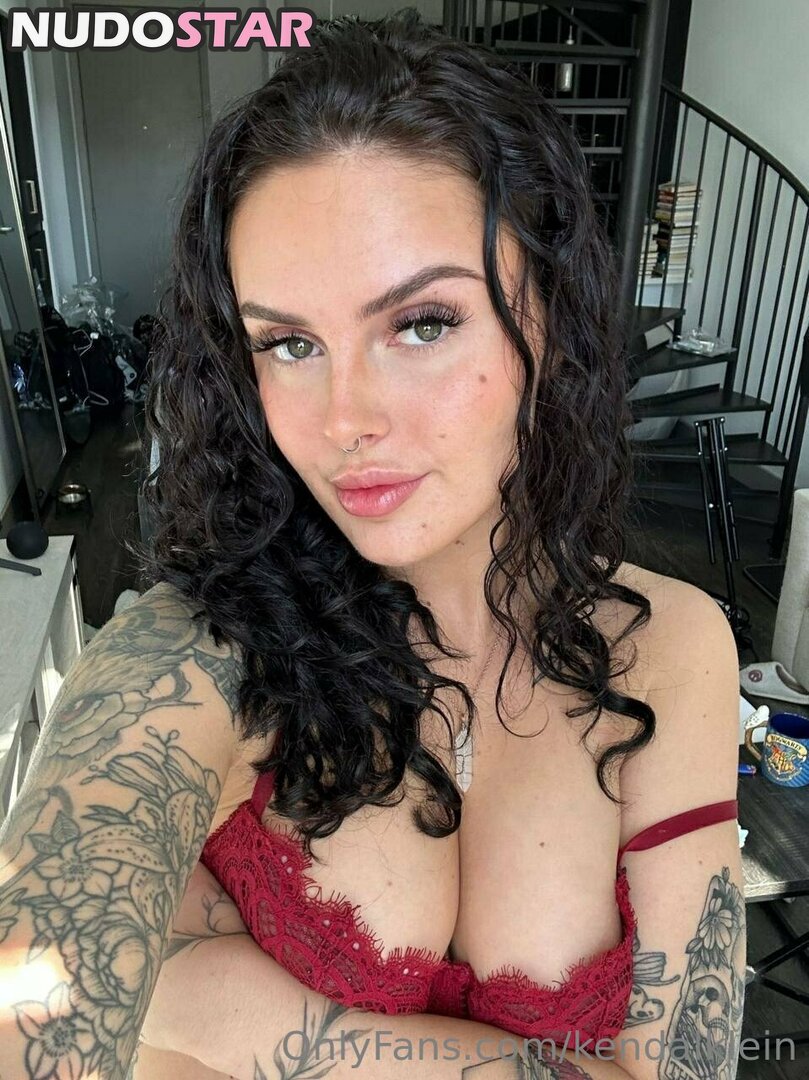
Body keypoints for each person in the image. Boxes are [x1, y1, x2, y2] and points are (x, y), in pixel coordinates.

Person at [0, 9, 745, 1079]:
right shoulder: (195, 656)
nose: (344, 418)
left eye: (421, 323)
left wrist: (226, 1006)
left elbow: (686, 1063)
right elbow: (34, 991)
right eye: (288, 343)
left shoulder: (667, 647)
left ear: (551, 319)